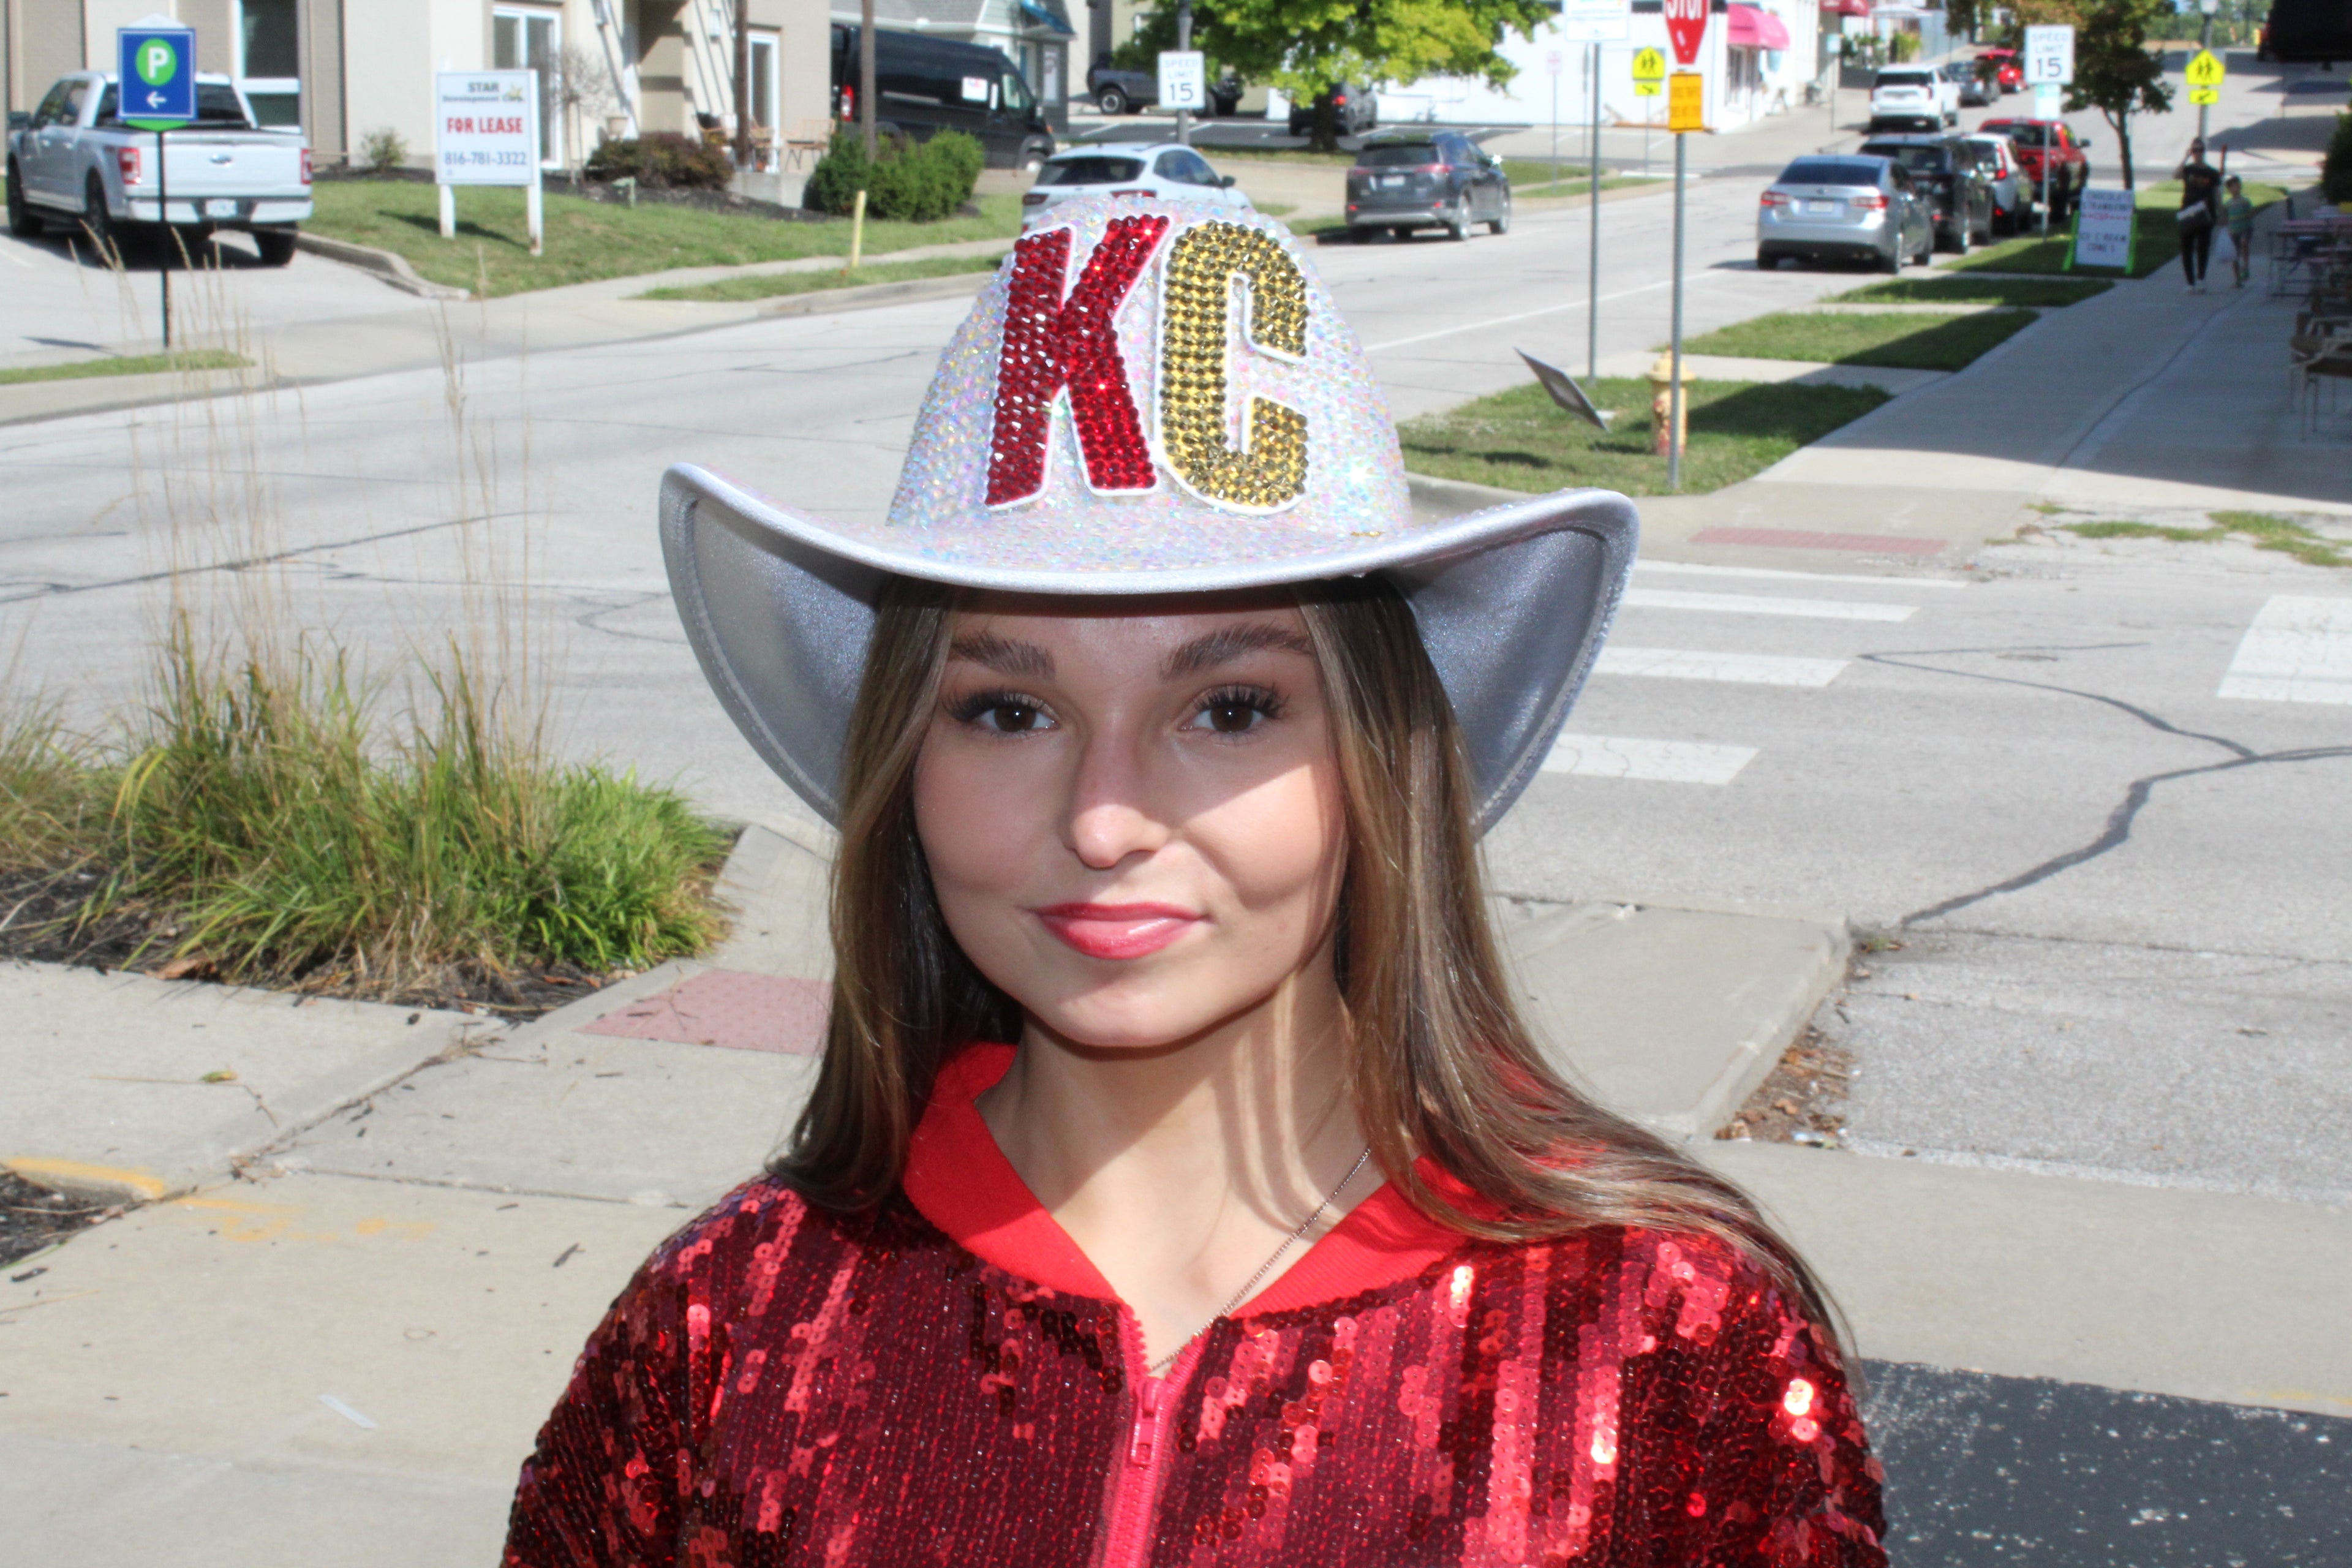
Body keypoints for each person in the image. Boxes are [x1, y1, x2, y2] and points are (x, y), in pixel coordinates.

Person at [502, 198, 1887, 1566]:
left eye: (1227, 706)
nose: (1104, 820)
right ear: (900, 766)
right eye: (1005, 709)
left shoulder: (1655, 1334)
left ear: (1373, 762)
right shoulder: (722, 1329)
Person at [2175, 138, 2222, 292]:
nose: (2198, 153)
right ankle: (2190, 282)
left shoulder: (2212, 173)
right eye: (2195, 150)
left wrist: (2221, 212)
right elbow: (2175, 175)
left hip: (2206, 213)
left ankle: (2201, 278)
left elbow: (2217, 193)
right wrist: (2185, 157)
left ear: (2204, 151)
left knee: (2203, 247)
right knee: (2186, 248)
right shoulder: (2188, 169)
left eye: (2200, 150)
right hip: (2188, 212)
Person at [2222, 174, 2256, 287]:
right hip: (2234, 231)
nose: (2237, 188)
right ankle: (2237, 279)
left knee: (2244, 243)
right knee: (2234, 255)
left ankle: (2246, 267)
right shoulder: (2228, 204)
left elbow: (2251, 213)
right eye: (2234, 186)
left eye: (2238, 186)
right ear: (2230, 189)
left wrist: (2250, 214)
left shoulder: (2245, 201)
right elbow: (2225, 218)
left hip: (2246, 229)